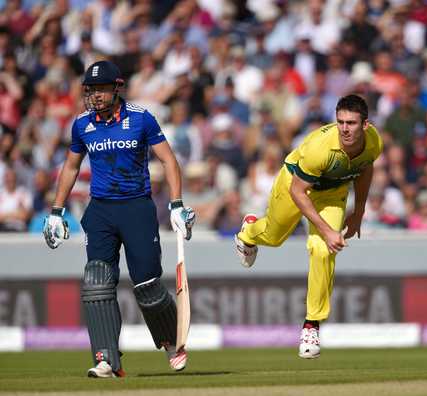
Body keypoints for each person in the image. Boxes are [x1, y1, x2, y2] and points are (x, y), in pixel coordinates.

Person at [41, 61, 196, 378]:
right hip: (100, 210)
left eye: (100, 89)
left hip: (136, 207)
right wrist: (56, 210)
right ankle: (107, 359)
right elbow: (71, 167)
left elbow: (168, 159)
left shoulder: (141, 118)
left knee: (148, 286)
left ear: (116, 87)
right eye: (91, 90)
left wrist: (177, 204)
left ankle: (172, 341)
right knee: (96, 281)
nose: (95, 95)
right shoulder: (82, 125)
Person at [234, 95, 383, 359]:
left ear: (366, 125)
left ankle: (311, 325)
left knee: (323, 250)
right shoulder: (320, 148)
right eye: (340, 122)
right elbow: (299, 191)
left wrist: (358, 212)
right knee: (274, 236)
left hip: (332, 193)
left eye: (351, 123)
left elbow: (365, 168)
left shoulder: (374, 142)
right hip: (296, 184)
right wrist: (326, 229)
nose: (345, 129)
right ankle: (248, 232)